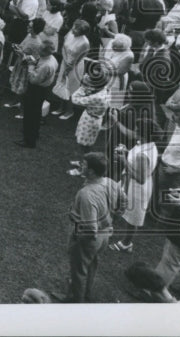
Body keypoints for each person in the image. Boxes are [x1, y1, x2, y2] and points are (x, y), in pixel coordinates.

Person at [52, 152, 125, 303]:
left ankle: (76, 301)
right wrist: (113, 218)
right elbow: (124, 201)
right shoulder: (111, 182)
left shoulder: (86, 194)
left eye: (83, 165)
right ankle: (87, 294)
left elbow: (90, 229)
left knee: (78, 271)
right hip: (104, 236)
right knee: (91, 265)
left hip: (89, 238)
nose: (81, 166)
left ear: (91, 171)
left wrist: (78, 240)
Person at [109, 115, 158, 254]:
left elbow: (140, 178)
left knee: (132, 217)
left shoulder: (144, 154)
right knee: (116, 202)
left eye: (137, 129)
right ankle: (108, 226)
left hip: (138, 188)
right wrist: (126, 152)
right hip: (129, 182)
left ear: (142, 133)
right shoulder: (146, 144)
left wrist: (123, 160)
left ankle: (126, 243)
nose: (135, 130)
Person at [14, 37, 58, 148]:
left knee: (30, 114)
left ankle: (29, 140)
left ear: (45, 51)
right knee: (36, 114)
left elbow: (33, 79)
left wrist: (30, 66)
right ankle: (34, 133)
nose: (38, 51)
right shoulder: (51, 59)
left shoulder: (46, 65)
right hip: (42, 90)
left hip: (36, 89)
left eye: (40, 50)